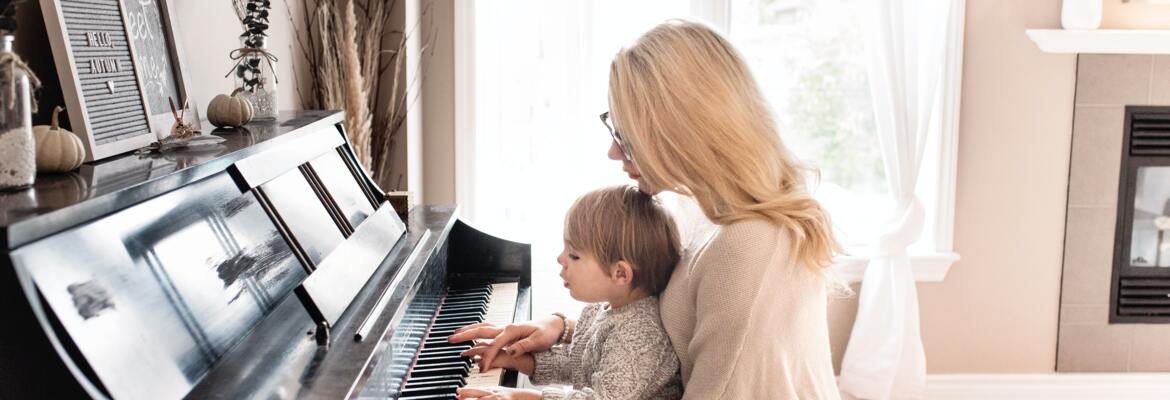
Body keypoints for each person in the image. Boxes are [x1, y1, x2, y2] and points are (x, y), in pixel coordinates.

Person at [452, 19, 842, 399]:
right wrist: (563, 328)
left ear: (681, 130)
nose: (613, 151)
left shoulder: (747, 247)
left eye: (626, 135)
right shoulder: (701, 211)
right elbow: (661, 339)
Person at [456, 185, 683, 400]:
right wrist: (516, 360)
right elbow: (580, 365)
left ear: (621, 274)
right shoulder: (609, 310)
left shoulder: (640, 334)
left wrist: (524, 396)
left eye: (574, 255)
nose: (561, 259)